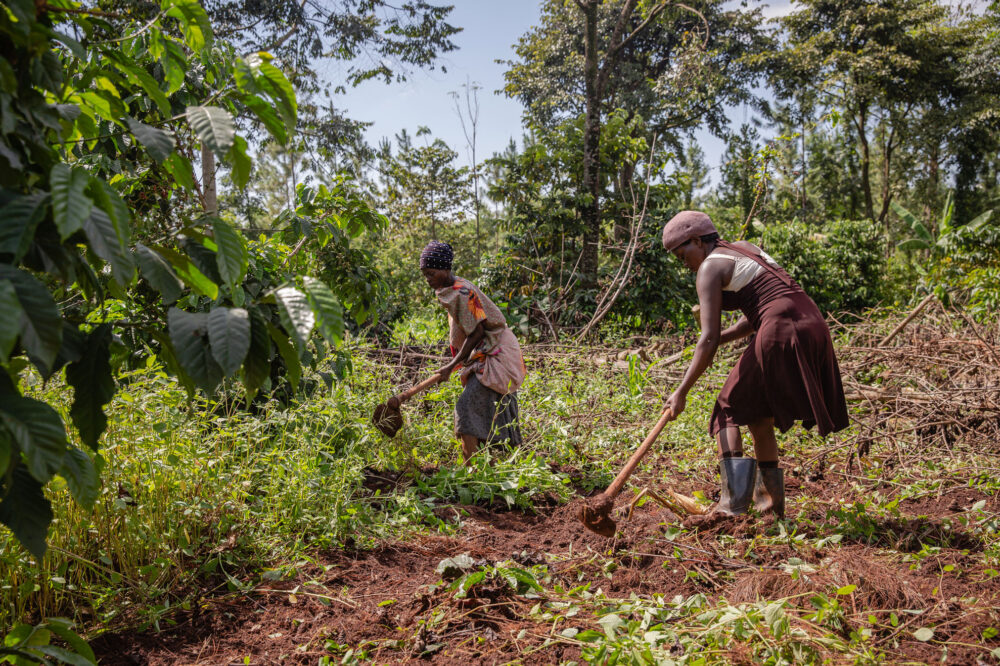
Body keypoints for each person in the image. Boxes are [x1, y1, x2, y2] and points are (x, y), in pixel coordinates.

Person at [661, 211, 849, 518]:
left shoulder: (709, 269)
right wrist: (722, 338)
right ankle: (770, 507)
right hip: (811, 321)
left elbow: (707, 338)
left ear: (697, 241)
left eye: (683, 255)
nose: (685, 265)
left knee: (727, 407)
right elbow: (758, 310)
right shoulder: (745, 248)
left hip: (780, 327)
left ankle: (732, 507)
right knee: (759, 416)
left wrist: (681, 391)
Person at [420, 240, 527, 462]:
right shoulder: (451, 288)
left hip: (497, 351)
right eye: (425, 275)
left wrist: (450, 367)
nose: (428, 280)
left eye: (431, 273)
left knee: (467, 405)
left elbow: (476, 333)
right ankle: (499, 462)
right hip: (488, 349)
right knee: (493, 402)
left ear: (445, 269)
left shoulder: (461, 292)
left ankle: (472, 468)